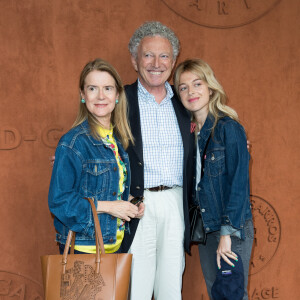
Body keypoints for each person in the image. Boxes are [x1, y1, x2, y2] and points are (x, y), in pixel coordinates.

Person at [120, 22, 194, 300]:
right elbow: (93, 128)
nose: (155, 63)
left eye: (164, 56)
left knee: (171, 288)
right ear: (134, 60)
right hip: (137, 205)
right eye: (147, 55)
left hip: (177, 202)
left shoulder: (186, 100)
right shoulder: (120, 99)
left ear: (173, 62)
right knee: (136, 289)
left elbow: (211, 135)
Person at [173, 58, 254, 300]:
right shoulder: (187, 134)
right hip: (207, 229)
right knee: (217, 294)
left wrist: (227, 235)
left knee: (232, 295)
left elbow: (239, 185)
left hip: (231, 226)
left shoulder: (229, 128)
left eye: (197, 83)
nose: (191, 91)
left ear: (210, 87)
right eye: (183, 87)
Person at [48, 58, 144, 255]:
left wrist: (128, 202)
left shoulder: (116, 140)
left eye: (108, 88)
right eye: (93, 88)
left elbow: (102, 188)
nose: (101, 96)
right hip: (85, 248)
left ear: (117, 95)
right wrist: (110, 207)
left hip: (116, 246)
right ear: (83, 95)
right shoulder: (74, 142)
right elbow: (59, 202)